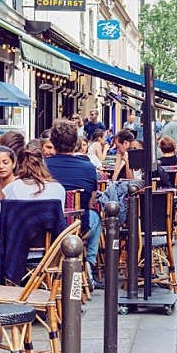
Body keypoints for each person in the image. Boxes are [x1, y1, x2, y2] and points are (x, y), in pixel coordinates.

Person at [45, 119, 102, 288]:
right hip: (77, 228)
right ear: (76, 142)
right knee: (96, 216)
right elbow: (90, 203)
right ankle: (88, 263)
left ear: (53, 141)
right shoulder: (89, 167)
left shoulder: (41, 166)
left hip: (46, 229)